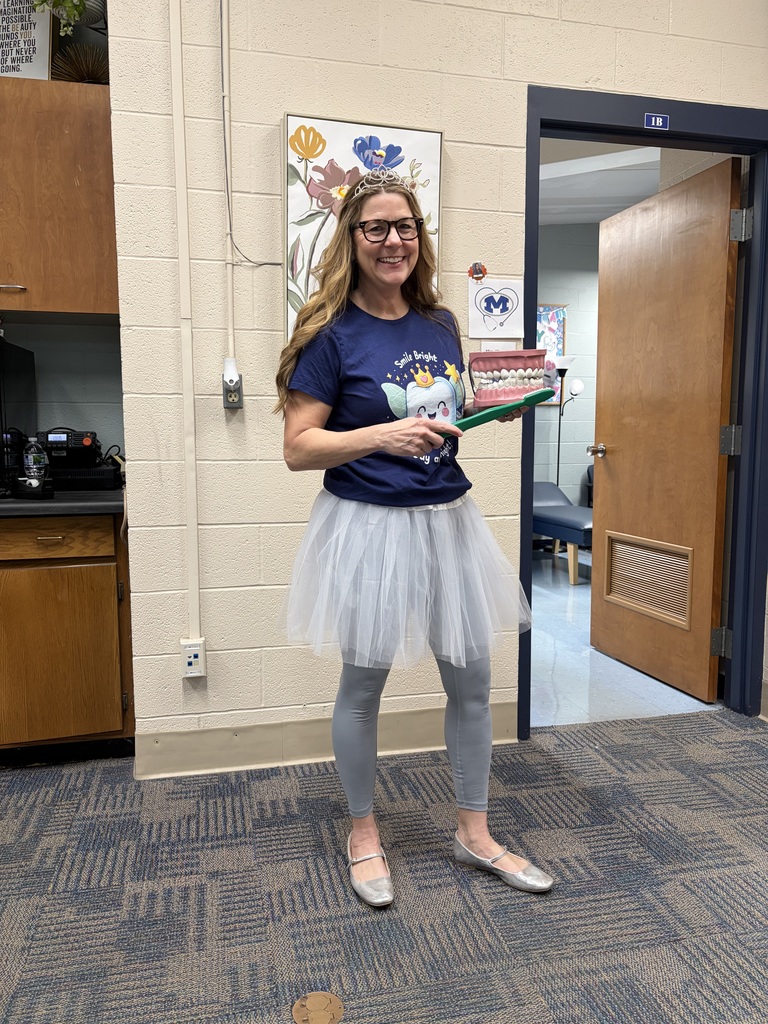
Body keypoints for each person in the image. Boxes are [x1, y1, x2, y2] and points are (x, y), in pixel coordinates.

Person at [274, 167, 553, 907]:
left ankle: (473, 830)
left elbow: (448, 417)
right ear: (354, 238)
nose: (393, 240)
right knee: (364, 685)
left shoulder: (441, 324)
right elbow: (299, 447)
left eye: (405, 227)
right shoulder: (329, 334)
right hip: (370, 527)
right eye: (377, 228)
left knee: (472, 682)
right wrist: (378, 435)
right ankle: (362, 832)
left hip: (448, 521)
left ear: (418, 238)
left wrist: (501, 405)